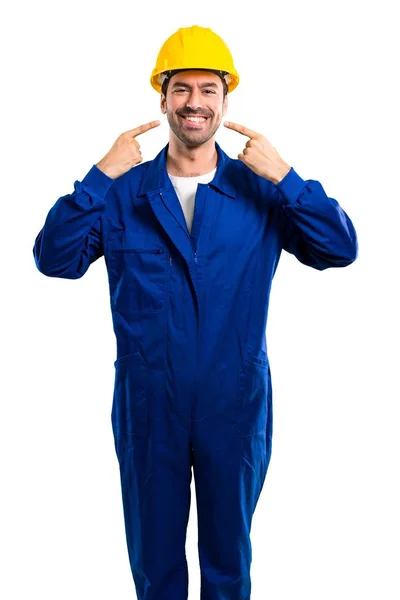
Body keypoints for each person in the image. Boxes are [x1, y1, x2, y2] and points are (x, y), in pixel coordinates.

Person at [33, 24, 358, 600]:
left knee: (228, 566)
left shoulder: (260, 191)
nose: (194, 103)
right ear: (162, 97)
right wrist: (99, 176)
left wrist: (286, 176)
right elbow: (54, 259)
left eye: (208, 90)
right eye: (182, 89)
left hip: (232, 405)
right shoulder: (122, 192)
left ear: (225, 99)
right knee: (155, 569)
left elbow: (339, 249)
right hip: (148, 406)